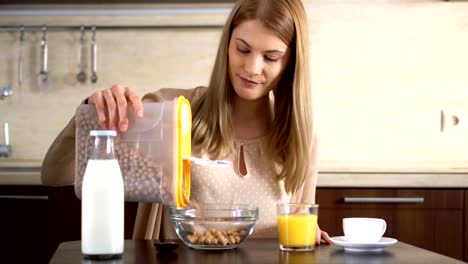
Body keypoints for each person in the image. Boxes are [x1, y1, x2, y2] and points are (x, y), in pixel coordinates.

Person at [41, 0, 331, 244]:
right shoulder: (169, 113)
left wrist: (311, 233)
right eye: (243, 49)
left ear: (290, 63)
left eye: (271, 57)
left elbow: (300, 224)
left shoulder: (300, 138)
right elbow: (54, 174)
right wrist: (91, 115)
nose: (252, 68)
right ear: (227, 46)